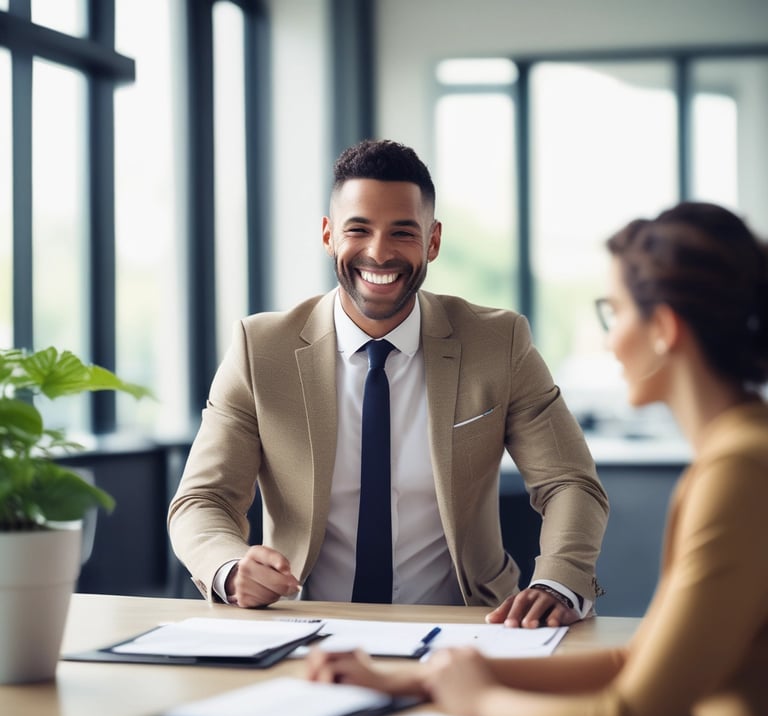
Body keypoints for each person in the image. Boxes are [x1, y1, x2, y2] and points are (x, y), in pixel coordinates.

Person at [307, 201, 768, 716]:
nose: (608, 341)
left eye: (613, 312)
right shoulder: (740, 455)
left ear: (664, 330)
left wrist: (478, 700)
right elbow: (636, 661)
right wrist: (419, 680)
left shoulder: (739, 475)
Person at [168, 139, 609, 628]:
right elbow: (201, 500)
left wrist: (558, 579)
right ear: (328, 235)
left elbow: (569, 482)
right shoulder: (260, 349)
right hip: (300, 624)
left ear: (433, 241)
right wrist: (230, 569)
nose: (379, 253)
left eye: (402, 232)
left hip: (469, 626)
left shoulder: (498, 342)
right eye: (358, 229)